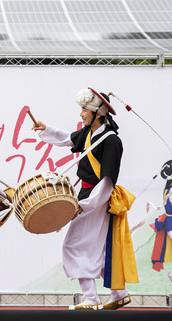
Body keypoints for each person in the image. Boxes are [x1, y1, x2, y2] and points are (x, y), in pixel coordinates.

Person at [32, 87, 138, 310]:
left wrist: (84, 206)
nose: (80, 114)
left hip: (97, 200)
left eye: (84, 109)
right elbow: (68, 139)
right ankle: (119, 293)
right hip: (88, 198)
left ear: (98, 113)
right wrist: (45, 128)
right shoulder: (90, 134)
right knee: (100, 247)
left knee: (75, 245)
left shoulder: (111, 141)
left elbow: (107, 182)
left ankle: (91, 299)